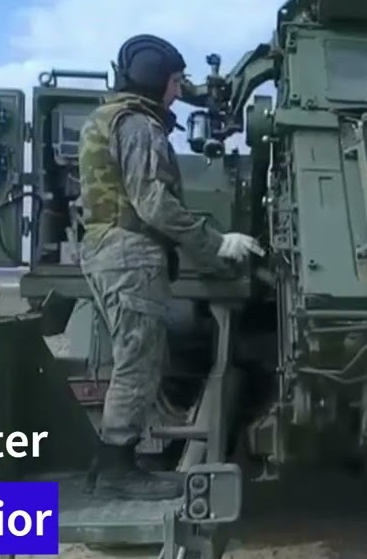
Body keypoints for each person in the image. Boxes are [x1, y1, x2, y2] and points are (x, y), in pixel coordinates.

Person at [77, 34, 264, 501]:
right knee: (137, 363)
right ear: (153, 78)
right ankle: (118, 468)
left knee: (135, 359)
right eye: (176, 81)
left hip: (110, 250)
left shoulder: (109, 117)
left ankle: (109, 465)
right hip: (129, 254)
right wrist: (217, 244)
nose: (179, 91)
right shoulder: (139, 126)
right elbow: (155, 203)